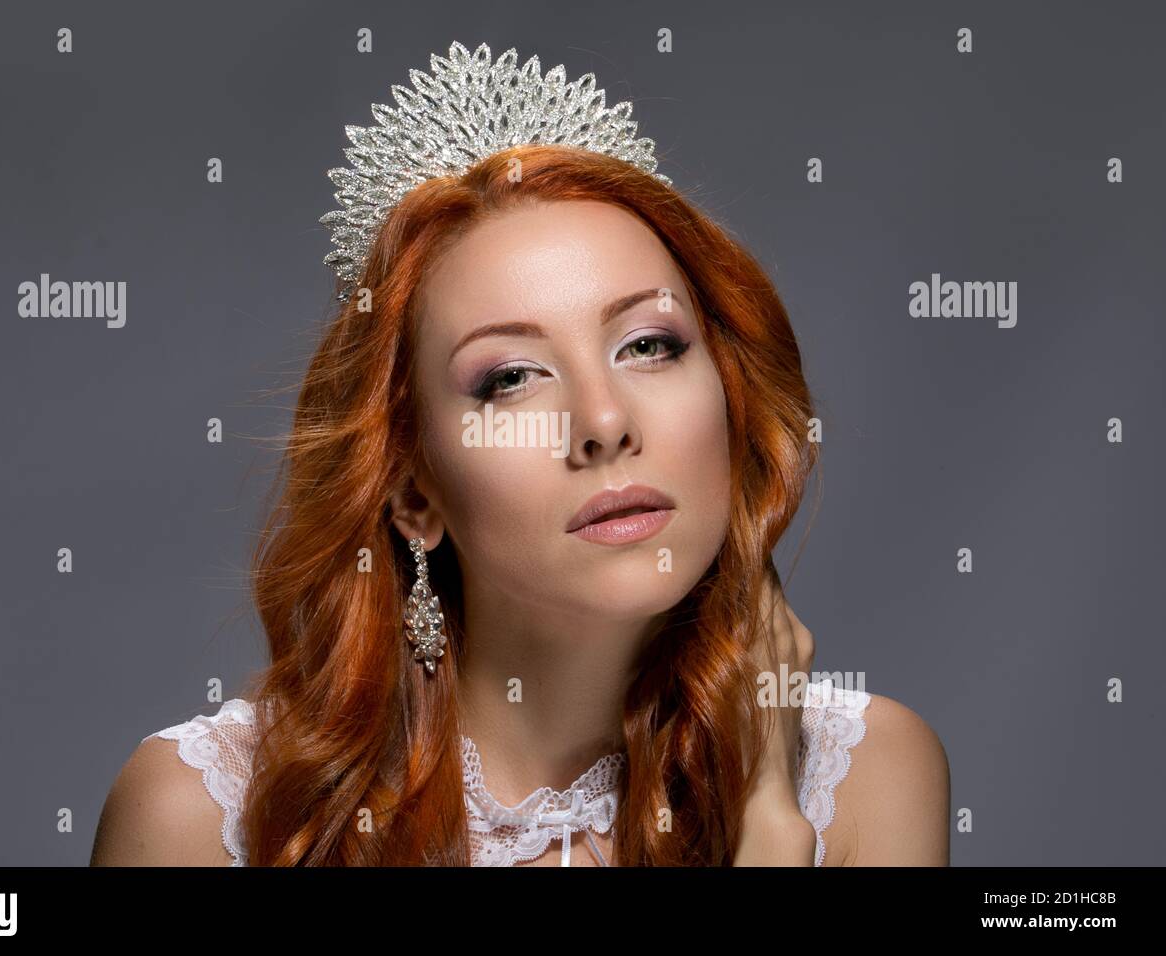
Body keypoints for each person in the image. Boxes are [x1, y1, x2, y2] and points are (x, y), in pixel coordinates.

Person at [91, 41, 949, 867]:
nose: (605, 420)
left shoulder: (861, 778)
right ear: (411, 489)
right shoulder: (206, 815)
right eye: (509, 378)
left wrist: (769, 825)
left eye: (649, 345)